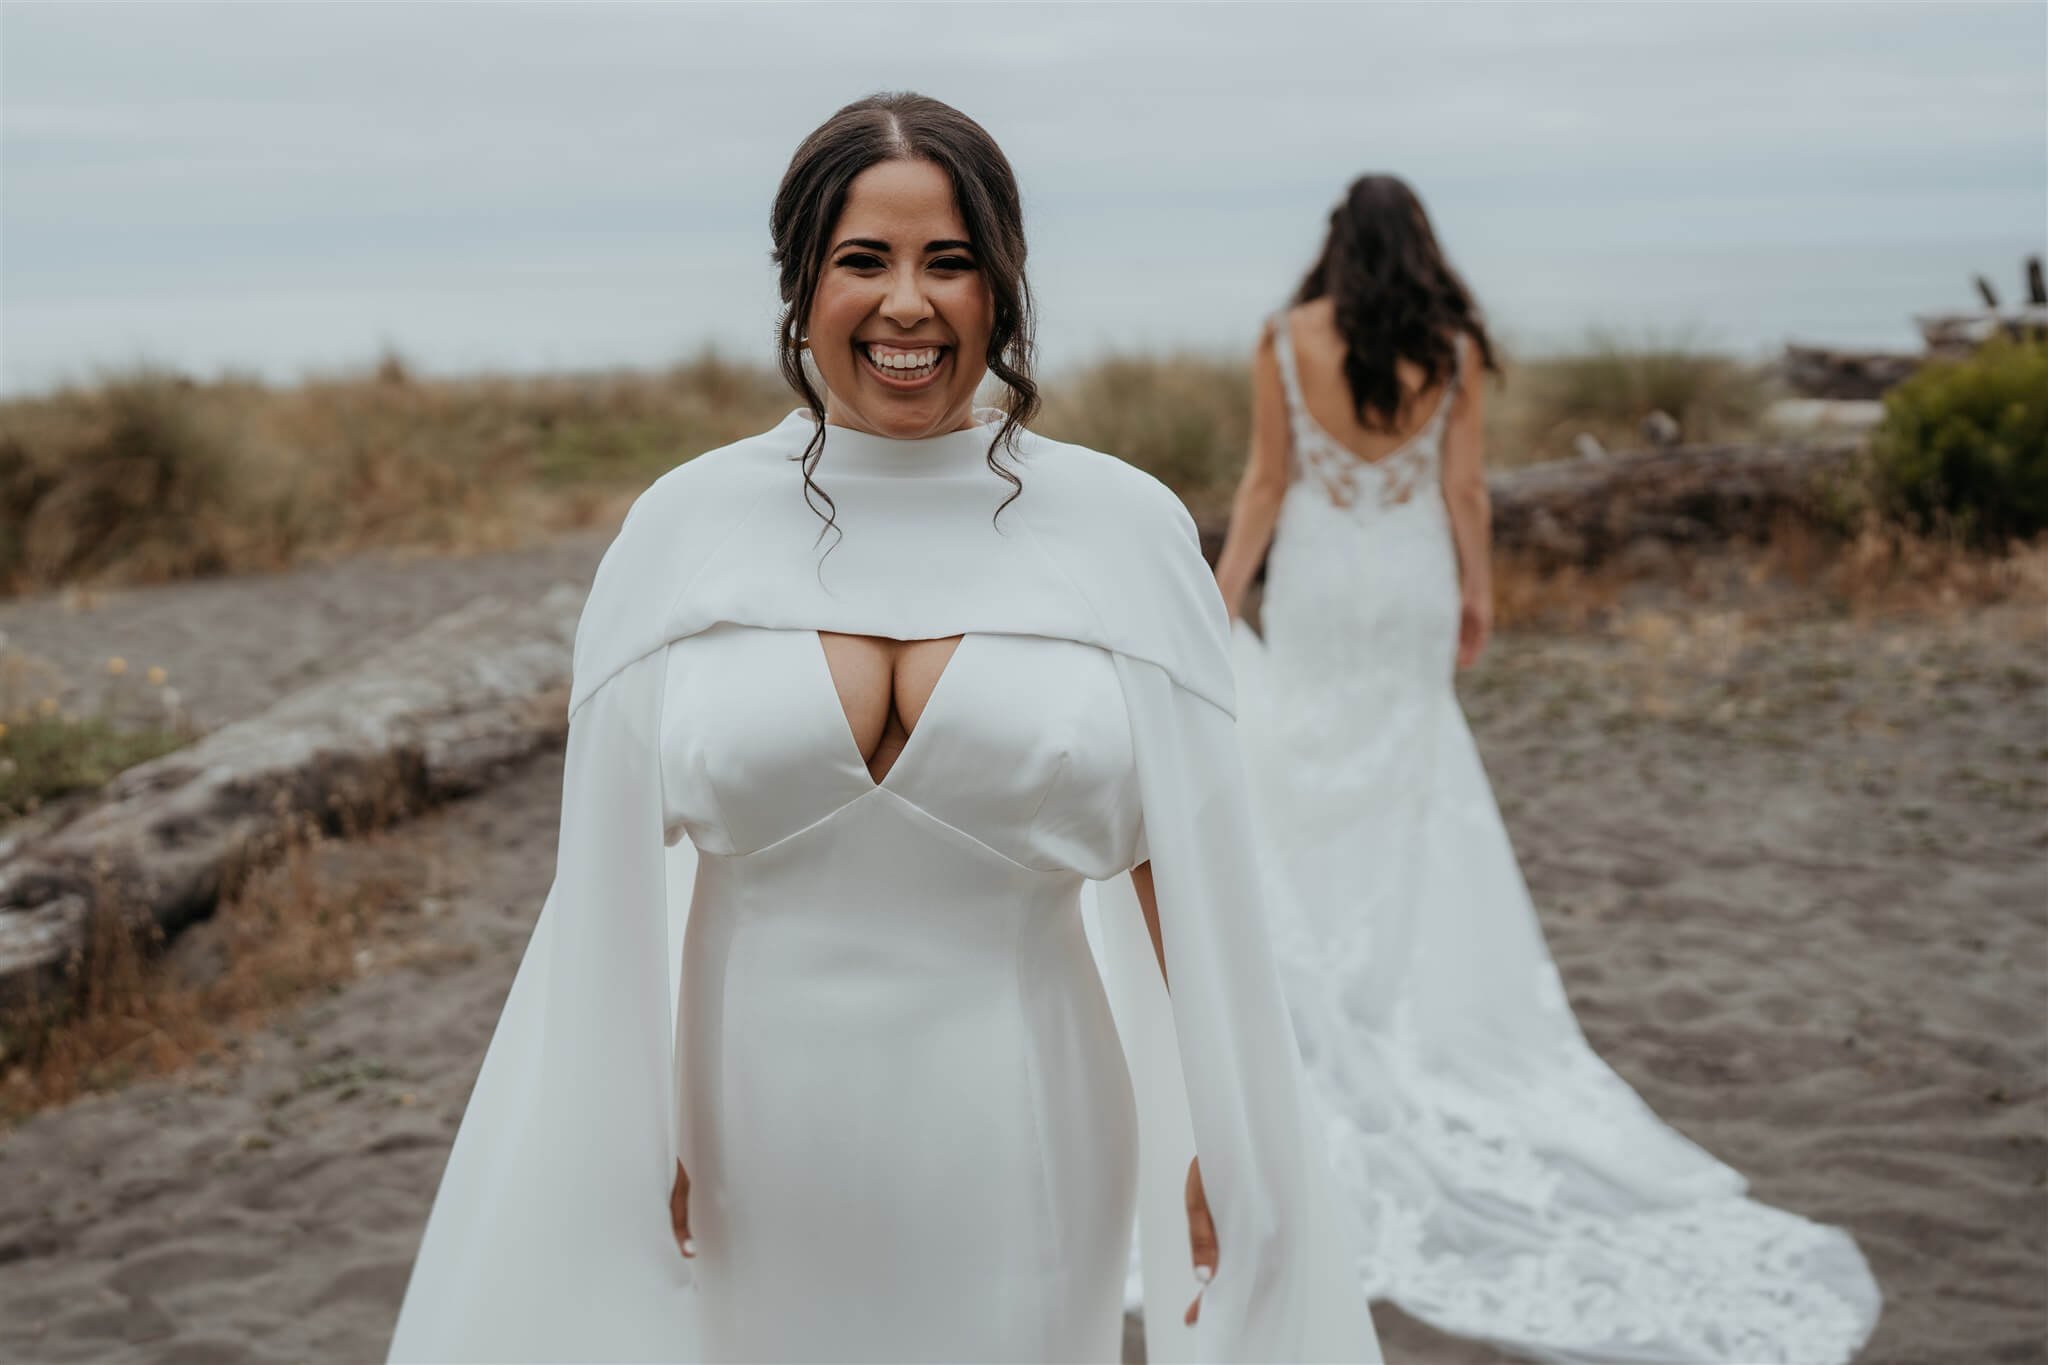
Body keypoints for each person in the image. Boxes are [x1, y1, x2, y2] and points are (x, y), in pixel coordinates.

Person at [385, 93, 1377, 1364]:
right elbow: (603, 889)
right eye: (865, 260)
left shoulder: (1119, 530)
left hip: (1026, 1109)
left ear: (1001, 289)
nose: (908, 302)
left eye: (948, 262)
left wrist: (1230, 1143)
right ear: (800, 284)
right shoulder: (682, 530)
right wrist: (633, 1135)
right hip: (745, 1122)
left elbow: (1185, 870)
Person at [1210, 173, 1883, 1364]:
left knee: (1300, 760)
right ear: (1417, 249)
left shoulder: (1283, 336)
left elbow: (1266, 483)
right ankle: (1390, 983)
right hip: (1407, 574)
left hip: (1316, 575)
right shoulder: (1452, 346)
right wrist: (1475, 589)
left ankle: (1311, 980)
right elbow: (1464, 488)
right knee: (1406, 771)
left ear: (1331, 246)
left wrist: (1217, 599)